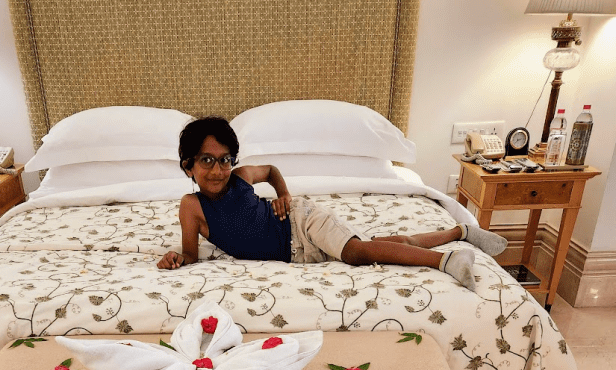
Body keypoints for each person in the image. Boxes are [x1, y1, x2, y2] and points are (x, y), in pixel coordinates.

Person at [157, 116, 507, 291]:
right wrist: (177, 258)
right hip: (298, 254)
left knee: (357, 254)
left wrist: (284, 195)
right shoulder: (191, 206)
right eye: (206, 160)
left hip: (301, 222)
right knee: (376, 248)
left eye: (224, 159)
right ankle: (460, 231)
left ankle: (448, 261)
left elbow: (273, 170)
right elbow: (191, 253)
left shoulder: (243, 176)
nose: (218, 170)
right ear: (188, 166)